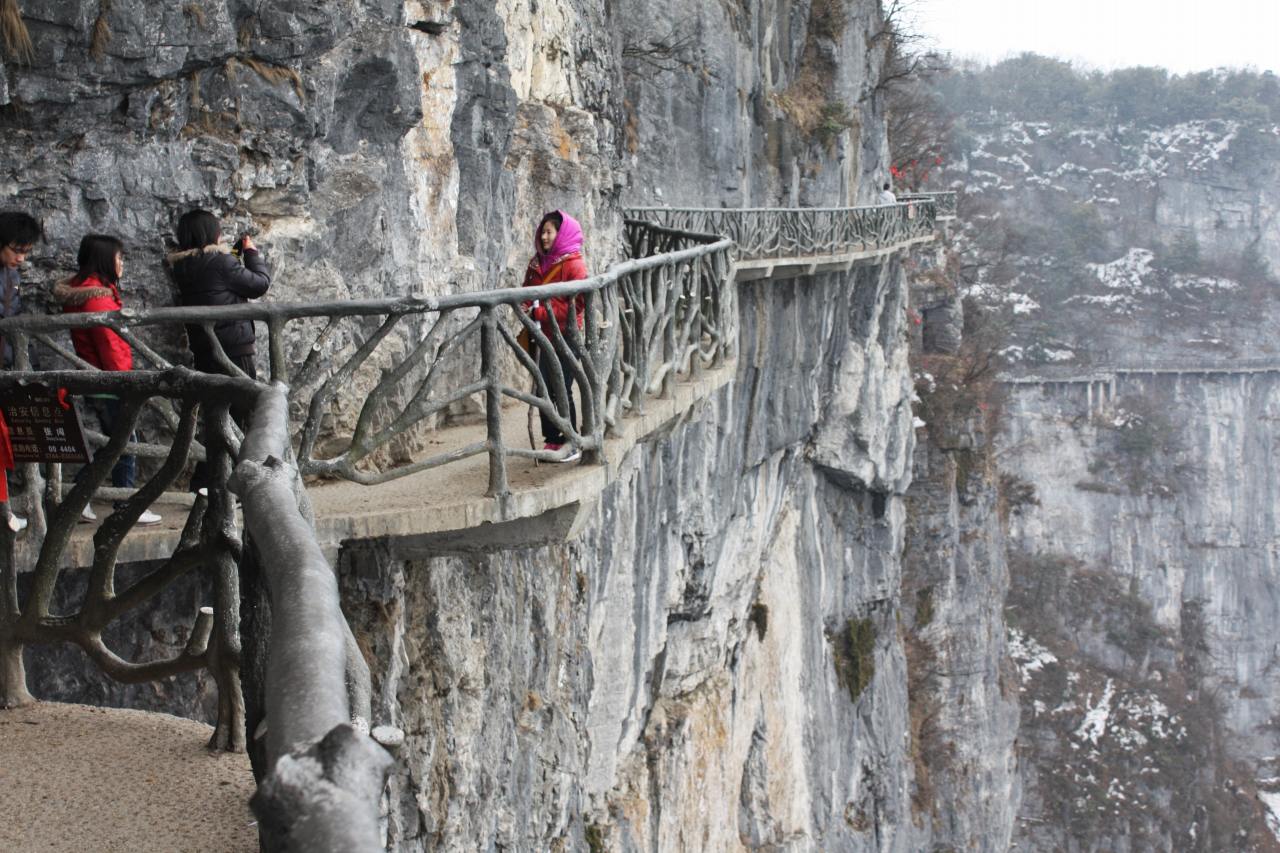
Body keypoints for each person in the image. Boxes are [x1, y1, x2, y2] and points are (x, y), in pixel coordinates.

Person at [54, 235, 161, 525]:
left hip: (98, 378)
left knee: (113, 443)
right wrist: (126, 383)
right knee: (125, 441)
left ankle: (79, 501)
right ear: (104, 260)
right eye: (118, 257)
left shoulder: (84, 291)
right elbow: (110, 346)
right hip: (110, 381)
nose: (121, 263)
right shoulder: (96, 298)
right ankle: (123, 503)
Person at [168, 209, 270, 492]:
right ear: (211, 233)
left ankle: (207, 480)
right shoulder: (220, 262)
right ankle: (232, 482)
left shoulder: (182, 267)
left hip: (205, 348)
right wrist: (251, 253)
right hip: (234, 347)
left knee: (218, 413)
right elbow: (259, 284)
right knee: (247, 411)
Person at [521, 210, 587, 462]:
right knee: (542, 388)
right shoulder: (537, 263)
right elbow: (527, 290)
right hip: (541, 335)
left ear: (562, 234)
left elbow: (576, 305)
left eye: (550, 232)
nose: (545, 237)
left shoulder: (574, 265)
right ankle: (552, 440)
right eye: (543, 232)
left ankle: (572, 441)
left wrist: (539, 311)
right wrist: (525, 306)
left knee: (562, 388)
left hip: (565, 336)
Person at [0, 211, 42, 531]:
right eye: (17, 249)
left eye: (26, 251)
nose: (21, 258)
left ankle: (5, 512)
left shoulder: (11, 276)